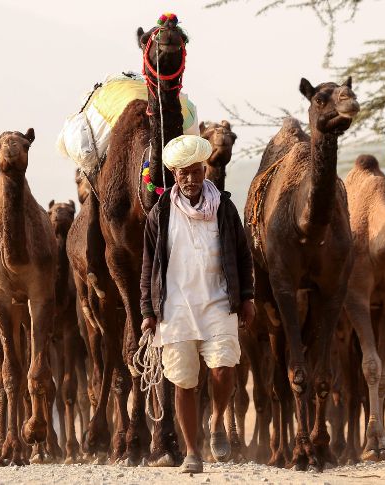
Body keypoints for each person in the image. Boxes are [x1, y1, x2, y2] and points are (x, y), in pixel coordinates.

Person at [140, 134, 255, 473]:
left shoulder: (224, 207)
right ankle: (192, 452)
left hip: (218, 302)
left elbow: (243, 256)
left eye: (195, 172)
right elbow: (149, 265)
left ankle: (217, 419)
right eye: (182, 174)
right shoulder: (160, 214)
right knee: (184, 382)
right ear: (174, 174)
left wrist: (247, 297)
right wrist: (148, 311)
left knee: (222, 370)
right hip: (175, 309)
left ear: (205, 170)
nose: (190, 180)